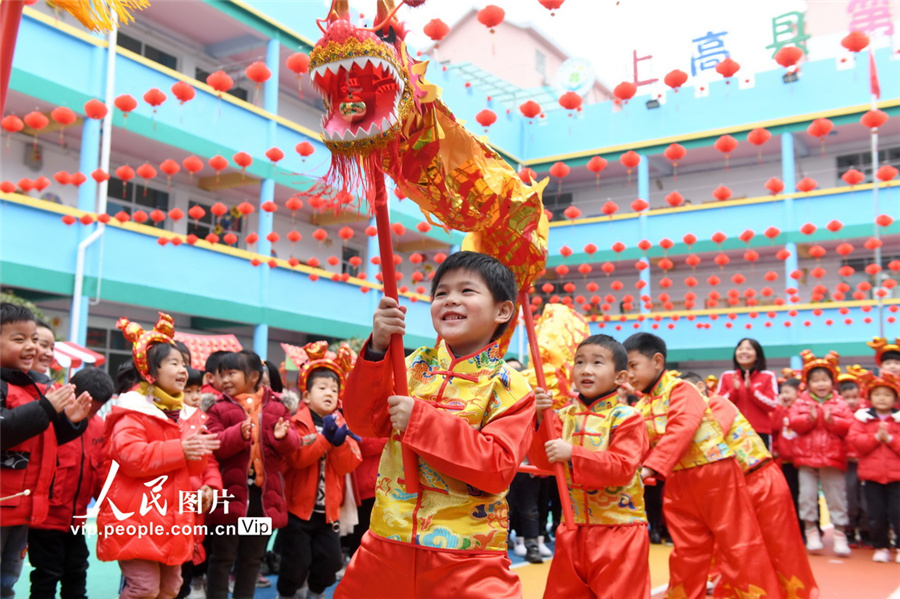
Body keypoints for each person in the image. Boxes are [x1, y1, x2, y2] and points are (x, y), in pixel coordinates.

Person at [335, 251, 535, 599]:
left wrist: (422, 421)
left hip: (467, 558)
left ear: (502, 311)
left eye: (467, 291)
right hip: (385, 546)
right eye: (441, 293)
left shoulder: (511, 387)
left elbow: (497, 467)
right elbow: (364, 422)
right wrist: (377, 350)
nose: (450, 300)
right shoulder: (408, 366)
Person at [622, 332, 780, 599]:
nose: (629, 374)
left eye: (633, 366)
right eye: (624, 369)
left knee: (737, 544)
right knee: (687, 550)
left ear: (658, 361)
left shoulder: (682, 389)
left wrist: (650, 467)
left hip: (714, 473)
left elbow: (681, 429)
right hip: (677, 482)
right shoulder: (642, 406)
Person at [96, 313, 221, 599]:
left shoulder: (184, 415)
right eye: (174, 363)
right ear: (150, 372)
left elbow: (195, 466)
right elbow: (131, 456)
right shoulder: (132, 411)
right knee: (144, 588)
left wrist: (205, 479)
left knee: (171, 588)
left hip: (172, 517)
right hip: (135, 518)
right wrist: (183, 449)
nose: (182, 370)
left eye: (184, 364)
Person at [531, 334, 650, 599]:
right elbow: (543, 464)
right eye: (580, 362)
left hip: (620, 530)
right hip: (572, 528)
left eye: (597, 363)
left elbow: (622, 468)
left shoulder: (627, 418)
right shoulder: (562, 416)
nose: (585, 369)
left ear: (620, 378)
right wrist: (540, 420)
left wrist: (572, 453)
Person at [682, 372, 818, 599]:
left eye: (683, 392)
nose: (679, 400)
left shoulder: (718, 403)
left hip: (761, 480)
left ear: (700, 387)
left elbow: (711, 436)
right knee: (737, 547)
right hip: (734, 488)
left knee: (779, 544)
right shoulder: (686, 417)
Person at [0, 303, 90, 599]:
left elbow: (40, 438)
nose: (32, 348)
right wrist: (47, 408)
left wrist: (69, 423)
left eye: (34, 340)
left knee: (8, 577)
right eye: (20, 339)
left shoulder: (35, 387)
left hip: (21, 506)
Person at [205, 350, 299, 599]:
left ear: (254, 376)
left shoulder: (278, 407)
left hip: (262, 499)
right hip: (229, 495)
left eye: (231, 373)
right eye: (221, 374)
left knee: (251, 558)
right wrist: (238, 433)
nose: (224, 379)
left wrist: (283, 437)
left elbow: (293, 445)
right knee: (223, 556)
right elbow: (214, 445)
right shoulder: (218, 409)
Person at [278, 342, 361, 599]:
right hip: (297, 511)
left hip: (328, 513)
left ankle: (315, 592)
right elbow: (297, 459)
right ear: (306, 396)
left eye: (334, 389)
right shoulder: (295, 423)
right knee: (296, 563)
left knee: (331, 561)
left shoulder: (342, 424)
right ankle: (289, 594)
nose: (329, 393)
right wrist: (325, 438)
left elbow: (349, 464)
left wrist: (338, 443)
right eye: (322, 388)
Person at [27, 367, 114, 599]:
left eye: (94, 410)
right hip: (46, 520)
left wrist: (111, 505)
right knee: (46, 575)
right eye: (87, 406)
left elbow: (101, 472)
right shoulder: (50, 419)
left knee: (77, 572)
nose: (89, 414)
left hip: (77, 520)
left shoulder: (99, 426)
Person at [788, 350, 854, 556]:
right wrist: (810, 418)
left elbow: (848, 427)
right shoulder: (801, 402)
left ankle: (840, 535)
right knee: (806, 497)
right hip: (806, 458)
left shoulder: (840, 403)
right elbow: (794, 424)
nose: (820, 384)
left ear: (832, 382)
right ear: (807, 383)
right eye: (815, 380)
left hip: (832, 457)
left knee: (836, 497)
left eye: (824, 379)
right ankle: (811, 532)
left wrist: (831, 421)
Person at [846, 371, 900, 563]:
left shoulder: (898, 419)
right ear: (870, 398)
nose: (882, 398)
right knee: (875, 515)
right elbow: (855, 441)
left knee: (898, 513)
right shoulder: (862, 419)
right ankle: (881, 546)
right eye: (878, 394)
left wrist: (891, 439)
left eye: (887, 394)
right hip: (871, 477)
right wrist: (876, 438)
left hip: (897, 477)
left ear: (895, 398)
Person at [716, 338, 779, 447]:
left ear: (757, 355)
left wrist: (751, 391)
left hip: (760, 432)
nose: (743, 351)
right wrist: (733, 391)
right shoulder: (727, 376)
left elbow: (773, 404)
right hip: (733, 431)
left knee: (763, 465)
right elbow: (718, 405)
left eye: (749, 349)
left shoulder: (768, 376)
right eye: (740, 349)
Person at [839, 366, 869, 548]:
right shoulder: (838, 415)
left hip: (865, 462)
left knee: (865, 498)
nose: (851, 401)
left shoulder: (866, 415)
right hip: (846, 463)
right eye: (846, 397)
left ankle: (866, 530)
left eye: (854, 397)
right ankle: (849, 529)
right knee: (849, 497)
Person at [771, 378, 804, 537]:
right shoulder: (780, 410)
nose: (784, 395)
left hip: (802, 460)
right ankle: (790, 528)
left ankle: (806, 529)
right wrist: (779, 407)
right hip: (785, 461)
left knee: (803, 495)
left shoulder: (802, 411)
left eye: (788, 392)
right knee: (787, 495)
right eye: (782, 392)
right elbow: (774, 428)